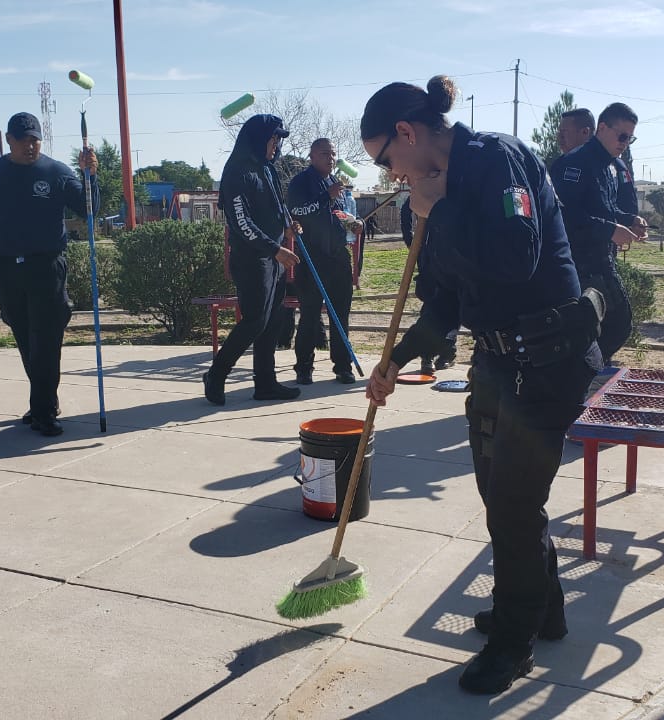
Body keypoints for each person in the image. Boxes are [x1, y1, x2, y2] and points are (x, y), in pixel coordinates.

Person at [361, 76, 603, 695]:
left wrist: (439, 210)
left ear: (408, 134)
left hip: (548, 361)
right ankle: (541, 610)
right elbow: (445, 296)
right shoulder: (434, 187)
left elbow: (513, 260)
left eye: (387, 160)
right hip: (497, 362)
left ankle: (512, 644)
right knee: (504, 499)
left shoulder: (497, 160)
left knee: (515, 506)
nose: (392, 175)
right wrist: (403, 355)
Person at [0, 111, 98, 437]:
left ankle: (43, 411)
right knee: (25, 337)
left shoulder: (56, 172)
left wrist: (90, 177)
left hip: (47, 267)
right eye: (23, 139)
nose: (30, 145)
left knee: (47, 339)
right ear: (9, 140)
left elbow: (89, 208)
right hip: (9, 267)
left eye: (35, 139)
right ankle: (44, 400)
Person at [202, 114, 302, 405]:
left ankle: (266, 383)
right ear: (259, 139)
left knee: (271, 320)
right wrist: (275, 248)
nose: (276, 145)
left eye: (278, 140)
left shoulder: (267, 168)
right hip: (252, 258)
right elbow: (241, 222)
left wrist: (287, 225)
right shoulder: (238, 171)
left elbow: (275, 204)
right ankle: (217, 374)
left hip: (273, 257)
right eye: (273, 139)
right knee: (255, 320)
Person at [551, 103, 646, 365]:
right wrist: (610, 230)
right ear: (602, 128)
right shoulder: (574, 163)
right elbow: (564, 215)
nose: (626, 143)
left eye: (630, 137)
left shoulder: (610, 166)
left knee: (613, 326)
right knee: (610, 326)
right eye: (622, 136)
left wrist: (629, 220)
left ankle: (583, 376)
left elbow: (606, 208)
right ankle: (579, 377)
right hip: (577, 263)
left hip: (601, 259)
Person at [288, 138, 357, 385]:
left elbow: (337, 213)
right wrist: (325, 197)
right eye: (325, 153)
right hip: (312, 258)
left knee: (341, 315)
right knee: (309, 316)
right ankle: (304, 366)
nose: (330, 158)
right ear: (312, 156)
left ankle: (343, 366)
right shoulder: (301, 182)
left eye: (333, 153)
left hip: (338, 257)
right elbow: (298, 212)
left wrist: (352, 223)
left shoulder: (334, 182)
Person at [400, 198, 456, 374]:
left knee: (453, 310)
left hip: (452, 260)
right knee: (430, 310)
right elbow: (406, 210)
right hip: (429, 263)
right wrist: (411, 240)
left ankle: (447, 354)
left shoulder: (452, 193)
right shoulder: (426, 191)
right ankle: (427, 356)